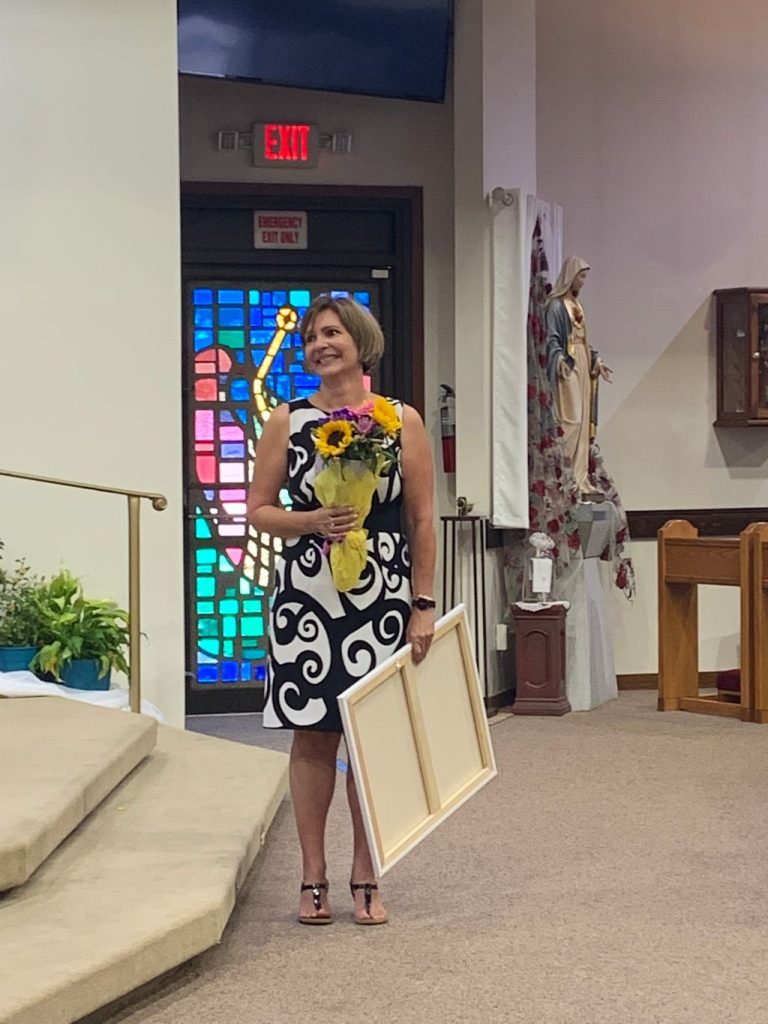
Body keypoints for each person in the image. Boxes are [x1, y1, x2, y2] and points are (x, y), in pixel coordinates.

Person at [247, 294, 436, 926]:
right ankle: (312, 875)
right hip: (308, 593)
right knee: (313, 733)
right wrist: (310, 521)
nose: (318, 345)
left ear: (360, 341)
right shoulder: (287, 420)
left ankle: (366, 871)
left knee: (372, 736)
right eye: (310, 337)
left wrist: (423, 604)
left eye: (330, 333)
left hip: (381, 594)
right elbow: (259, 511)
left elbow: (422, 519)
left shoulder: (400, 419)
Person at [545, 256, 612, 496]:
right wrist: (559, 358)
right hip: (569, 365)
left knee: (583, 423)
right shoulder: (556, 306)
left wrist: (597, 360)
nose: (583, 281)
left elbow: (584, 340)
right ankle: (566, 477)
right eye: (581, 276)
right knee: (571, 419)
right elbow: (551, 338)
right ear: (571, 276)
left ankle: (581, 477)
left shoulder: (577, 304)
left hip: (582, 361)